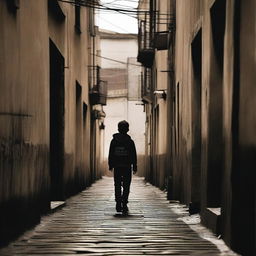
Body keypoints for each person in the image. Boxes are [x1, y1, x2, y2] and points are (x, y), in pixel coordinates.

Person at [108, 120, 137, 213]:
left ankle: (118, 203)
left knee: (117, 185)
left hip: (117, 166)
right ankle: (124, 203)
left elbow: (111, 153)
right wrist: (135, 165)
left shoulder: (114, 141)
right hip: (127, 167)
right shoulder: (130, 142)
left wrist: (110, 164)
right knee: (126, 185)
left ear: (118, 129)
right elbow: (133, 155)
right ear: (127, 129)